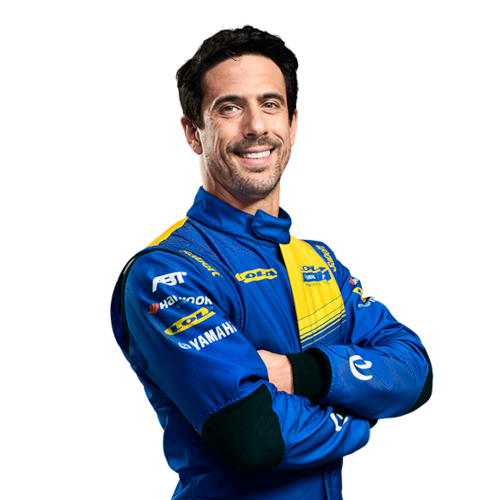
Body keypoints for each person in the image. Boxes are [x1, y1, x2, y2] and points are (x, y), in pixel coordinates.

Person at [109, 24, 433, 500]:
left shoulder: (318, 259)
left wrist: (304, 373)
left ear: (293, 123)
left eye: (270, 104)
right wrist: (367, 415)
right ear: (192, 133)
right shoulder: (166, 272)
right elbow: (255, 435)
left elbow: (415, 373)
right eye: (229, 107)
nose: (256, 126)